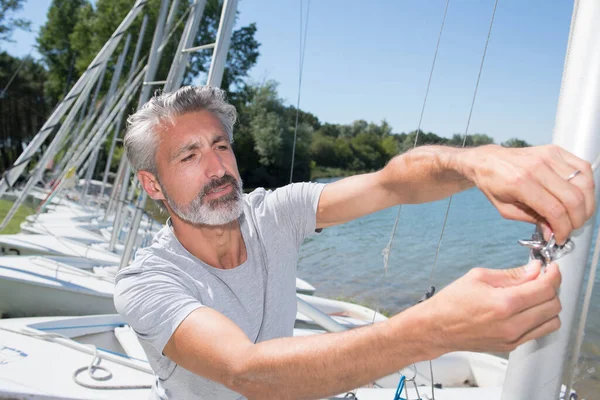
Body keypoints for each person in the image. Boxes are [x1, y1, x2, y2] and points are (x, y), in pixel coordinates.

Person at [114, 85, 596, 400]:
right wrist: (433, 329)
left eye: (221, 146)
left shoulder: (274, 215)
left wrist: (479, 163)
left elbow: (393, 183)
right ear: (153, 185)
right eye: (189, 156)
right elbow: (247, 372)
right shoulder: (146, 283)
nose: (218, 169)